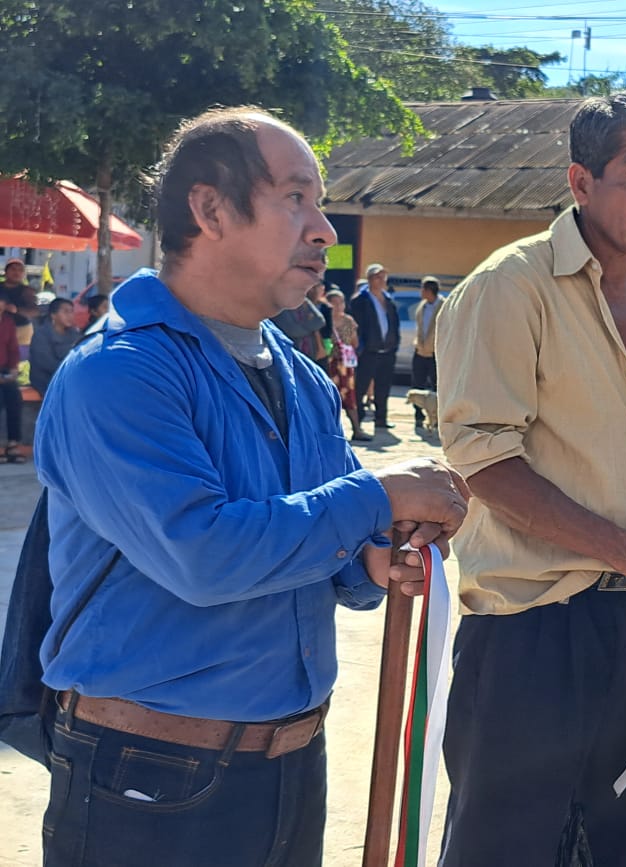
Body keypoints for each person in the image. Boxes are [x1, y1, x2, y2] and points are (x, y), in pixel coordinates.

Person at [33, 107, 468, 867]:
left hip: (290, 763)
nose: (324, 230)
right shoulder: (120, 372)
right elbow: (205, 556)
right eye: (296, 197)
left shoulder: (300, 377)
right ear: (210, 209)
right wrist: (379, 498)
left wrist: (372, 557)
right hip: (149, 777)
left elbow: (323, 544)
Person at [436, 93, 626, 867]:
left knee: (618, 839)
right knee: (503, 849)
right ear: (580, 181)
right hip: (530, 628)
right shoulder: (511, 286)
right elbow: (483, 460)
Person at [349, 262, 400, 433]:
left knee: (383, 387)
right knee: (361, 387)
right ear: (370, 279)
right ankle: (358, 421)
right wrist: (357, 347)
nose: (382, 280)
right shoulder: (360, 300)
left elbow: (394, 323)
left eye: (383, 276)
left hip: (387, 351)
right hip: (368, 352)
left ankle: (381, 419)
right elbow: (354, 325)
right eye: (378, 277)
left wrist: (395, 345)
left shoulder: (389, 300)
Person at [326, 287, 370, 442]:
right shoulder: (323, 320)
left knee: (350, 396)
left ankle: (356, 429)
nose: (339, 306)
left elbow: (355, 342)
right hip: (329, 363)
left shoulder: (349, 321)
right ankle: (332, 431)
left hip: (345, 365)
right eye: (335, 303)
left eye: (341, 302)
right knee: (330, 397)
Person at [29, 297, 80, 396]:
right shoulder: (41, 334)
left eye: (71, 312)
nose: (70, 316)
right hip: (46, 378)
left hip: (70, 375)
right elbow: (46, 363)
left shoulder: (74, 333)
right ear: (53, 315)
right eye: (65, 312)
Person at [411, 275, 442, 432]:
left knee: (438, 387)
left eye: (422, 289)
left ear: (429, 290)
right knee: (417, 385)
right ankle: (418, 416)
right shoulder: (422, 306)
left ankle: (438, 419)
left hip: (436, 354)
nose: (421, 292)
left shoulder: (444, 306)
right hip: (420, 351)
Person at [0, 300, 22, 463]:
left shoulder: (8, 322)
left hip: (4, 370)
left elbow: (13, 349)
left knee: (14, 398)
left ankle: (13, 443)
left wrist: (14, 369)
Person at [1, 257, 39, 326]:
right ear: (6, 272)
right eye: (13, 269)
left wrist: (16, 310)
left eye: (20, 270)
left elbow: (34, 312)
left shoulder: (27, 291)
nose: (17, 272)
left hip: (20, 328)